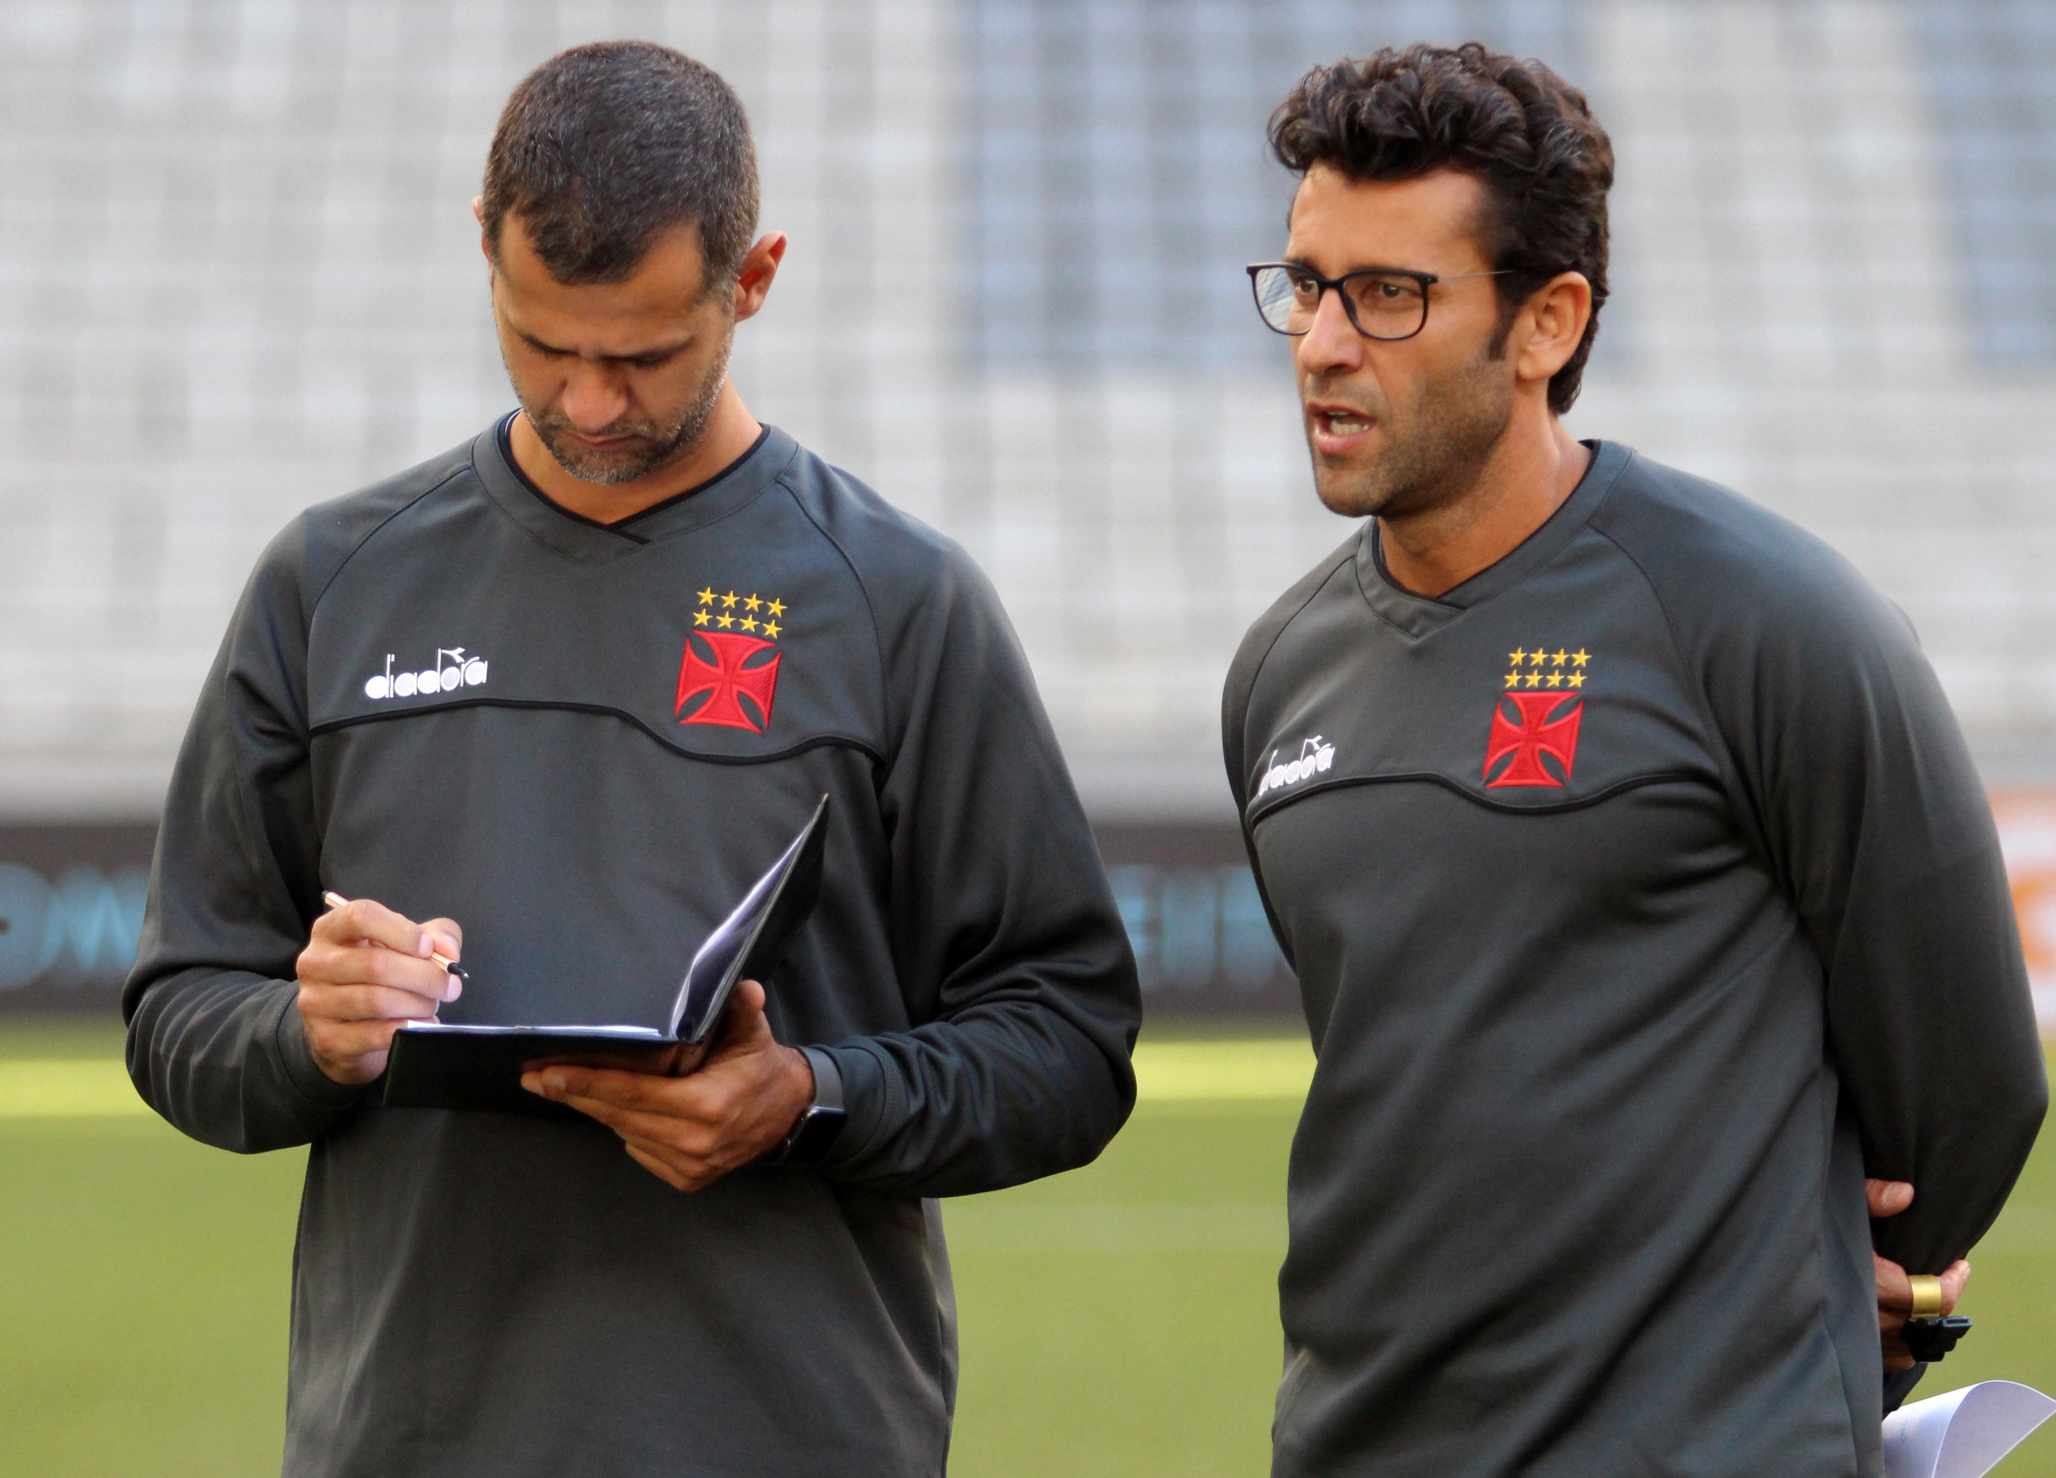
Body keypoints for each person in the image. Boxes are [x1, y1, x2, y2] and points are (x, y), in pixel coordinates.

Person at [124, 41, 1139, 1478]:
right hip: (408, 1443)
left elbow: (1069, 1043)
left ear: (755, 278)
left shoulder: (897, 601)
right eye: (543, 344)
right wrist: (308, 1031)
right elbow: (180, 1011)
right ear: (484, 247)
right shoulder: (332, 583)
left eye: (644, 356)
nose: (591, 402)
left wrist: (810, 1096)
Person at [1221, 42, 2045, 1478]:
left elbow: (1967, 1079)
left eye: (1389, 294)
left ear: (1546, 322)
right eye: (1305, 283)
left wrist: (1846, 1301)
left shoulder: (1766, 620)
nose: (1323, 343)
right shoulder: (1280, 671)